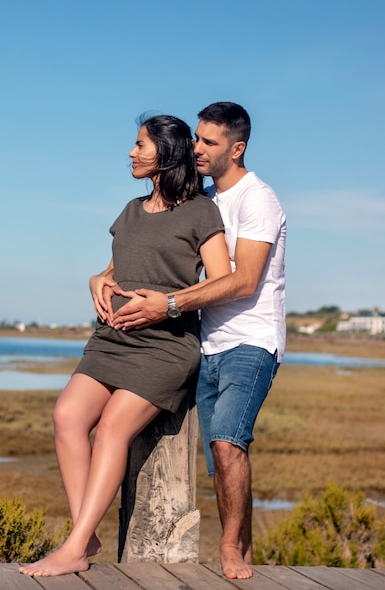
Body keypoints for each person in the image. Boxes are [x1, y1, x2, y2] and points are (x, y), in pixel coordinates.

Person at [19, 114, 231, 577]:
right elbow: (122, 266)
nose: (132, 153)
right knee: (67, 417)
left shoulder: (201, 211)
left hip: (165, 347)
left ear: (167, 152)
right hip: (112, 339)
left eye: (140, 145)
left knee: (113, 427)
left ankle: (74, 549)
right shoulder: (131, 210)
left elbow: (223, 282)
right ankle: (86, 533)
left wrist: (170, 304)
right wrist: (98, 278)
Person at [107, 102, 286, 580]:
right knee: (216, 455)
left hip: (250, 340)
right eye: (196, 139)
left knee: (227, 443)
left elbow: (244, 280)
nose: (196, 148)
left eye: (209, 141)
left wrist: (166, 305)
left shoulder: (257, 199)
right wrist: (99, 277)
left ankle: (229, 548)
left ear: (237, 147)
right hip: (204, 341)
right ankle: (242, 551)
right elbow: (146, 250)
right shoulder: (202, 198)